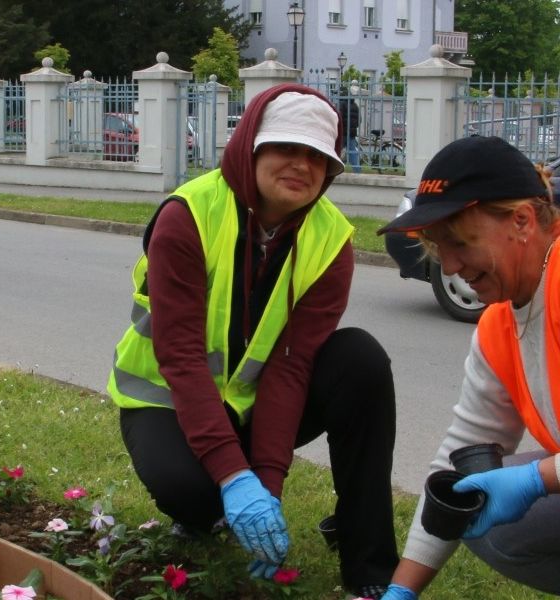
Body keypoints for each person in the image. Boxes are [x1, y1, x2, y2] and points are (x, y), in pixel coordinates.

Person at [107, 83, 399, 599]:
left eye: (318, 156)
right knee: (193, 492)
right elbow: (181, 356)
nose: (302, 165)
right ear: (251, 146)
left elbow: (291, 365)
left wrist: (268, 483)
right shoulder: (189, 215)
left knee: (361, 360)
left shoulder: (331, 239)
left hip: (252, 405)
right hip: (167, 401)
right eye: (286, 147)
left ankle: (368, 562)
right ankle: (205, 508)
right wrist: (233, 478)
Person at [377, 136, 560, 599]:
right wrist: (402, 591)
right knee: (474, 499)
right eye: (440, 248)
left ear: (522, 220)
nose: (452, 266)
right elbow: (463, 449)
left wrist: (538, 479)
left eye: (460, 242)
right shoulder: (499, 325)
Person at [338, 91, 361, 173]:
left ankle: (334, 168)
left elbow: (339, 117)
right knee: (352, 152)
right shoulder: (355, 105)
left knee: (337, 150)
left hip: (343, 132)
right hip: (352, 133)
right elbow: (360, 119)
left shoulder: (342, 104)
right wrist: (354, 127)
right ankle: (357, 170)